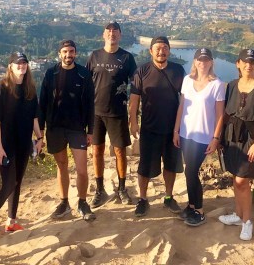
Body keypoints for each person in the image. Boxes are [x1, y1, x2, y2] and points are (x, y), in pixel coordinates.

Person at [0, 52, 45, 237]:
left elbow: (34, 117)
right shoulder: (3, 88)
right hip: (6, 145)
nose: (22, 66)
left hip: (24, 143)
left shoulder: (30, 89)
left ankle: (11, 221)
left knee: (17, 183)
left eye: (24, 63)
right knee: (8, 184)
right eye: (18, 63)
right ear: (10, 66)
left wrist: (40, 138)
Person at [218, 49, 254, 241]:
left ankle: (247, 221)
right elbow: (226, 113)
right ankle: (238, 215)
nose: (248, 65)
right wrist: (219, 137)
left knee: (243, 181)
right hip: (232, 137)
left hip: (251, 139)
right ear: (238, 64)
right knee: (236, 178)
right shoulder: (232, 85)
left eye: (252, 62)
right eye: (245, 62)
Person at [39, 39, 96, 222]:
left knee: (81, 169)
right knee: (61, 165)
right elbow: (42, 103)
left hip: (77, 128)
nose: (68, 55)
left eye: (71, 51)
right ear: (59, 54)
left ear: (75, 54)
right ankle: (64, 202)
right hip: (55, 128)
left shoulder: (83, 74)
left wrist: (90, 130)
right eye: (65, 52)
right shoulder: (51, 73)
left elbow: (90, 104)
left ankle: (82, 202)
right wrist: (40, 131)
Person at [129, 36, 185, 218]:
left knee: (171, 165)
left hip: (172, 129)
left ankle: (169, 197)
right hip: (149, 128)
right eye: (158, 48)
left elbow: (185, 99)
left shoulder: (178, 70)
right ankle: (143, 199)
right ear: (151, 51)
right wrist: (134, 122)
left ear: (169, 50)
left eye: (165, 48)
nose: (161, 51)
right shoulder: (142, 71)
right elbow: (134, 99)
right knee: (145, 166)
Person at [172, 47, 226, 227]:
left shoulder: (217, 84)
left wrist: (216, 138)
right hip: (187, 133)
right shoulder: (187, 80)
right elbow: (181, 107)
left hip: (204, 136)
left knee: (191, 171)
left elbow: (220, 115)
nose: (202, 63)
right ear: (195, 62)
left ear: (211, 62)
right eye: (199, 59)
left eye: (206, 60)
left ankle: (200, 211)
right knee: (189, 171)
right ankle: (191, 205)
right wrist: (176, 130)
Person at [86, 21, 137, 207]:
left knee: (120, 151)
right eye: (108, 31)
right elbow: (85, 84)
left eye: (115, 31)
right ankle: (100, 190)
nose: (112, 33)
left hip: (117, 112)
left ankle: (122, 188)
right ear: (103, 35)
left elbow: (137, 85)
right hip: (95, 112)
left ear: (120, 35)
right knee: (96, 151)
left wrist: (134, 113)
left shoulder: (127, 58)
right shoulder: (94, 56)